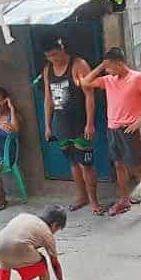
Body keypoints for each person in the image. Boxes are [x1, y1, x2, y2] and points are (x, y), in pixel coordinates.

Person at [81, 47, 141, 220]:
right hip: (112, 129)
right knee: (118, 165)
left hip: (129, 130)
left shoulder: (137, 78)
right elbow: (86, 83)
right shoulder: (108, 79)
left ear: (120, 64)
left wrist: (139, 121)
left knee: (138, 167)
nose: (108, 71)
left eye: (110, 66)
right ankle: (124, 199)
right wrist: (101, 66)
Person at [41, 35, 103, 214]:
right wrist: (48, 125)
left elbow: (89, 96)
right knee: (74, 164)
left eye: (54, 54)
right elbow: (48, 98)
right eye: (49, 57)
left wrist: (90, 123)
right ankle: (81, 197)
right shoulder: (48, 70)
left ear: (62, 49)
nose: (53, 59)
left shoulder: (78, 65)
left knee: (86, 164)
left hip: (80, 124)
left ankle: (94, 201)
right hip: (61, 125)